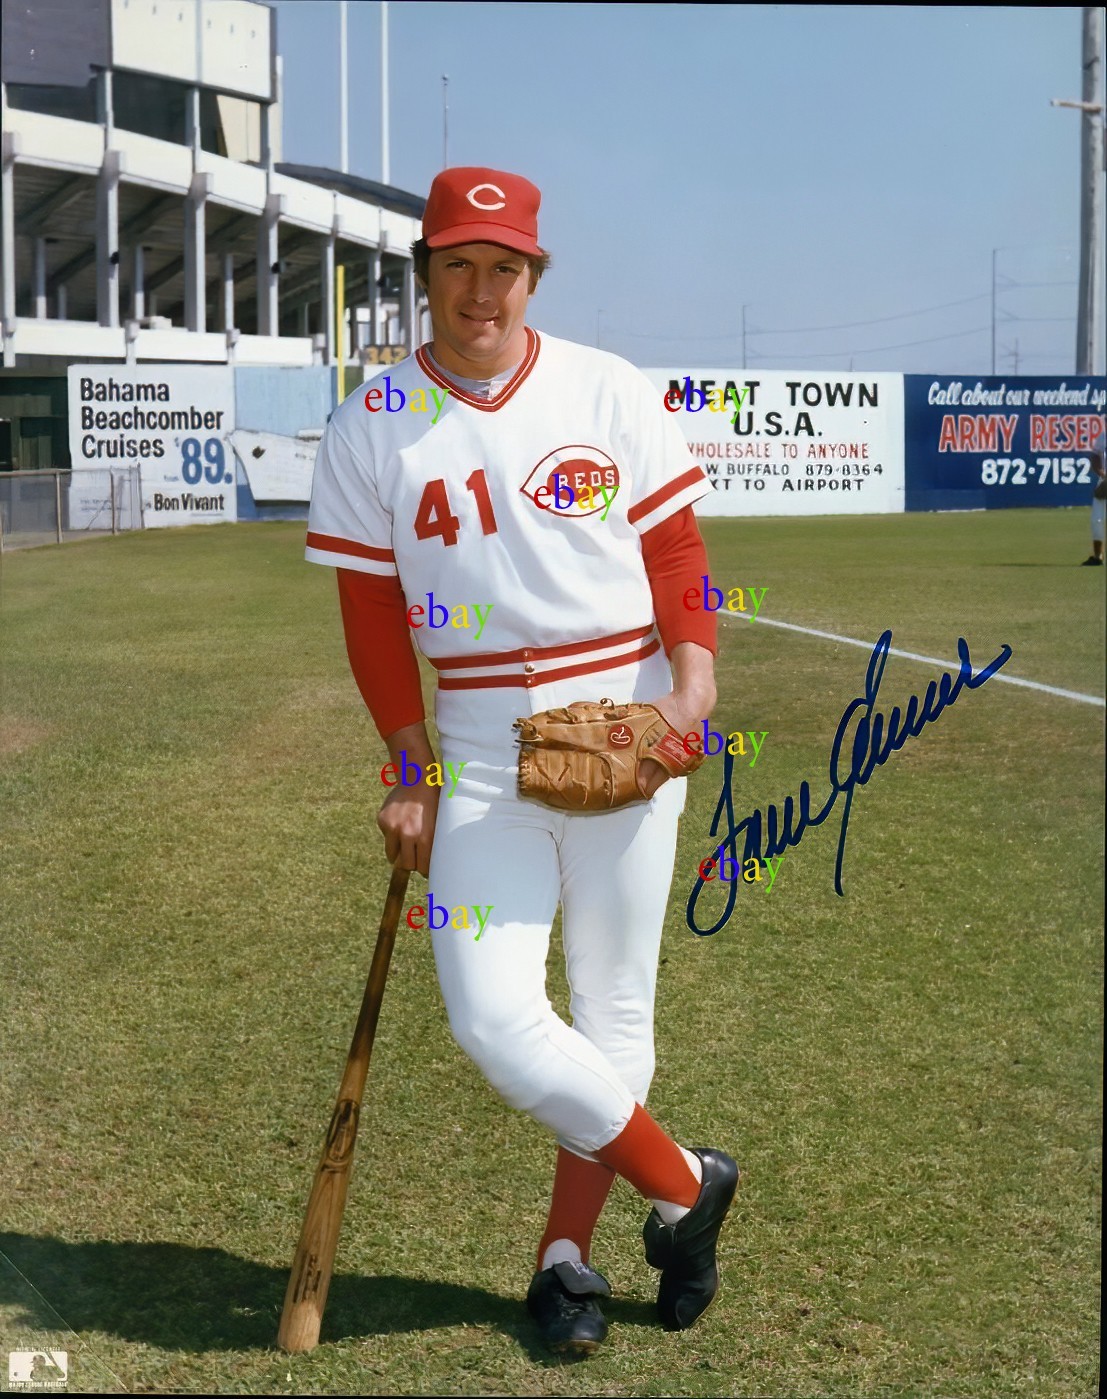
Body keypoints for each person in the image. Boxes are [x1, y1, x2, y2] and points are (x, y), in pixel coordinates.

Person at [305, 166, 738, 1357]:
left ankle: (567, 1260)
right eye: (458, 263)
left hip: (626, 719)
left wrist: (693, 680)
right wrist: (406, 760)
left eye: (504, 266)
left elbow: (681, 549)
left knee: (612, 1010)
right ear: (427, 275)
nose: (481, 289)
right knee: (494, 1015)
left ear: (533, 274)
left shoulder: (607, 388)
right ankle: (686, 1186)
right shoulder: (374, 419)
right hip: (482, 743)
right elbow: (369, 608)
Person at [1082, 423, 1105, 566]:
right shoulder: (1103, 437)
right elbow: (1095, 456)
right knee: (1097, 520)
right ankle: (1098, 557)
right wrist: (1101, 473)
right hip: (1105, 481)